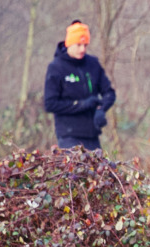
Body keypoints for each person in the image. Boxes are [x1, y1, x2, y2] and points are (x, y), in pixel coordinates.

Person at [44, 20, 116, 150]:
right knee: (77, 169)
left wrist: (101, 109)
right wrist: (82, 104)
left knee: (99, 169)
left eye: (85, 45)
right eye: (78, 45)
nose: (82, 49)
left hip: (92, 135)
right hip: (69, 135)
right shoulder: (56, 67)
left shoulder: (93, 64)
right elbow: (50, 104)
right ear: (69, 44)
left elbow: (109, 93)